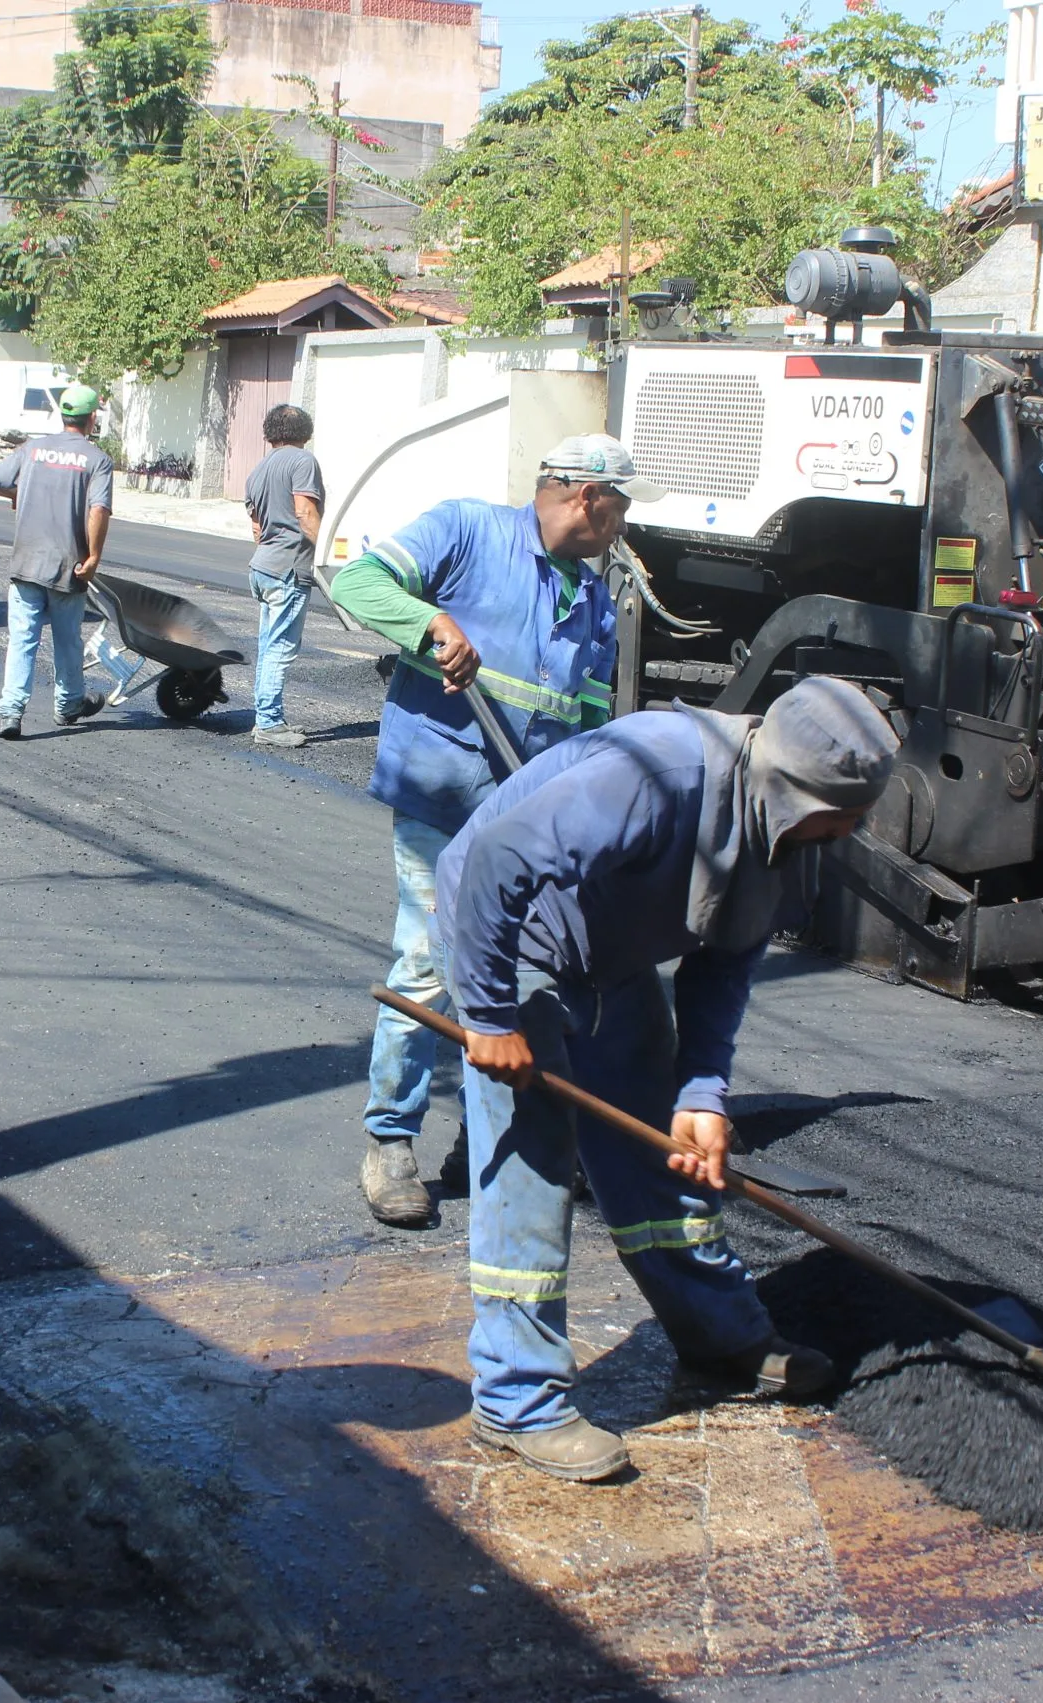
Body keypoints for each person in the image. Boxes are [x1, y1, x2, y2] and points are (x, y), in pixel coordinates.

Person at [432, 681, 902, 1483]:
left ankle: (721, 1335)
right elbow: (498, 857)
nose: (851, 831)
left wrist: (702, 1096)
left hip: (609, 957)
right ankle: (517, 1400)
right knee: (534, 1172)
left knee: (662, 1154)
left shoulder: (773, 832)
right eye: (844, 813)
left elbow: (724, 965)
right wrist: (488, 1014)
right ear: (795, 791)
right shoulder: (654, 774)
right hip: (511, 943)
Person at [324, 435, 657, 1229]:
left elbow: (586, 720)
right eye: (623, 506)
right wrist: (429, 622)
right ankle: (390, 1142)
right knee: (427, 963)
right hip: (444, 796)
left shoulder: (595, 601)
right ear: (586, 496)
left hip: (526, 819)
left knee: (524, 976)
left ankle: (487, 1140)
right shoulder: (467, 531)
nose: (625, 524)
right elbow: (356, 582)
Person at [0, 383, 113, 739]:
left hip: (26, 561)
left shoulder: (33, 449)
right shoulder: (97, 459)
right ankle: (69, 703)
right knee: (68, 638)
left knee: (22, 638)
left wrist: (19, 492)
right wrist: (94, 557)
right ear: (91, 419)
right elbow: (98, 509)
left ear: (63, 416)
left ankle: (11, 712)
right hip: (67, 564)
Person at [243, 404, 326, 748]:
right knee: (279, 648)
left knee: (268, 646)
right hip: (288, 570)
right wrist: (328, 557)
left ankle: (265, 716)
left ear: (269, 431)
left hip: (262, 567)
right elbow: (305, 512)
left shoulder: (258, 470)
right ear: (305, 432)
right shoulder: (303, 461)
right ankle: (269, 723)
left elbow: (257, 529)